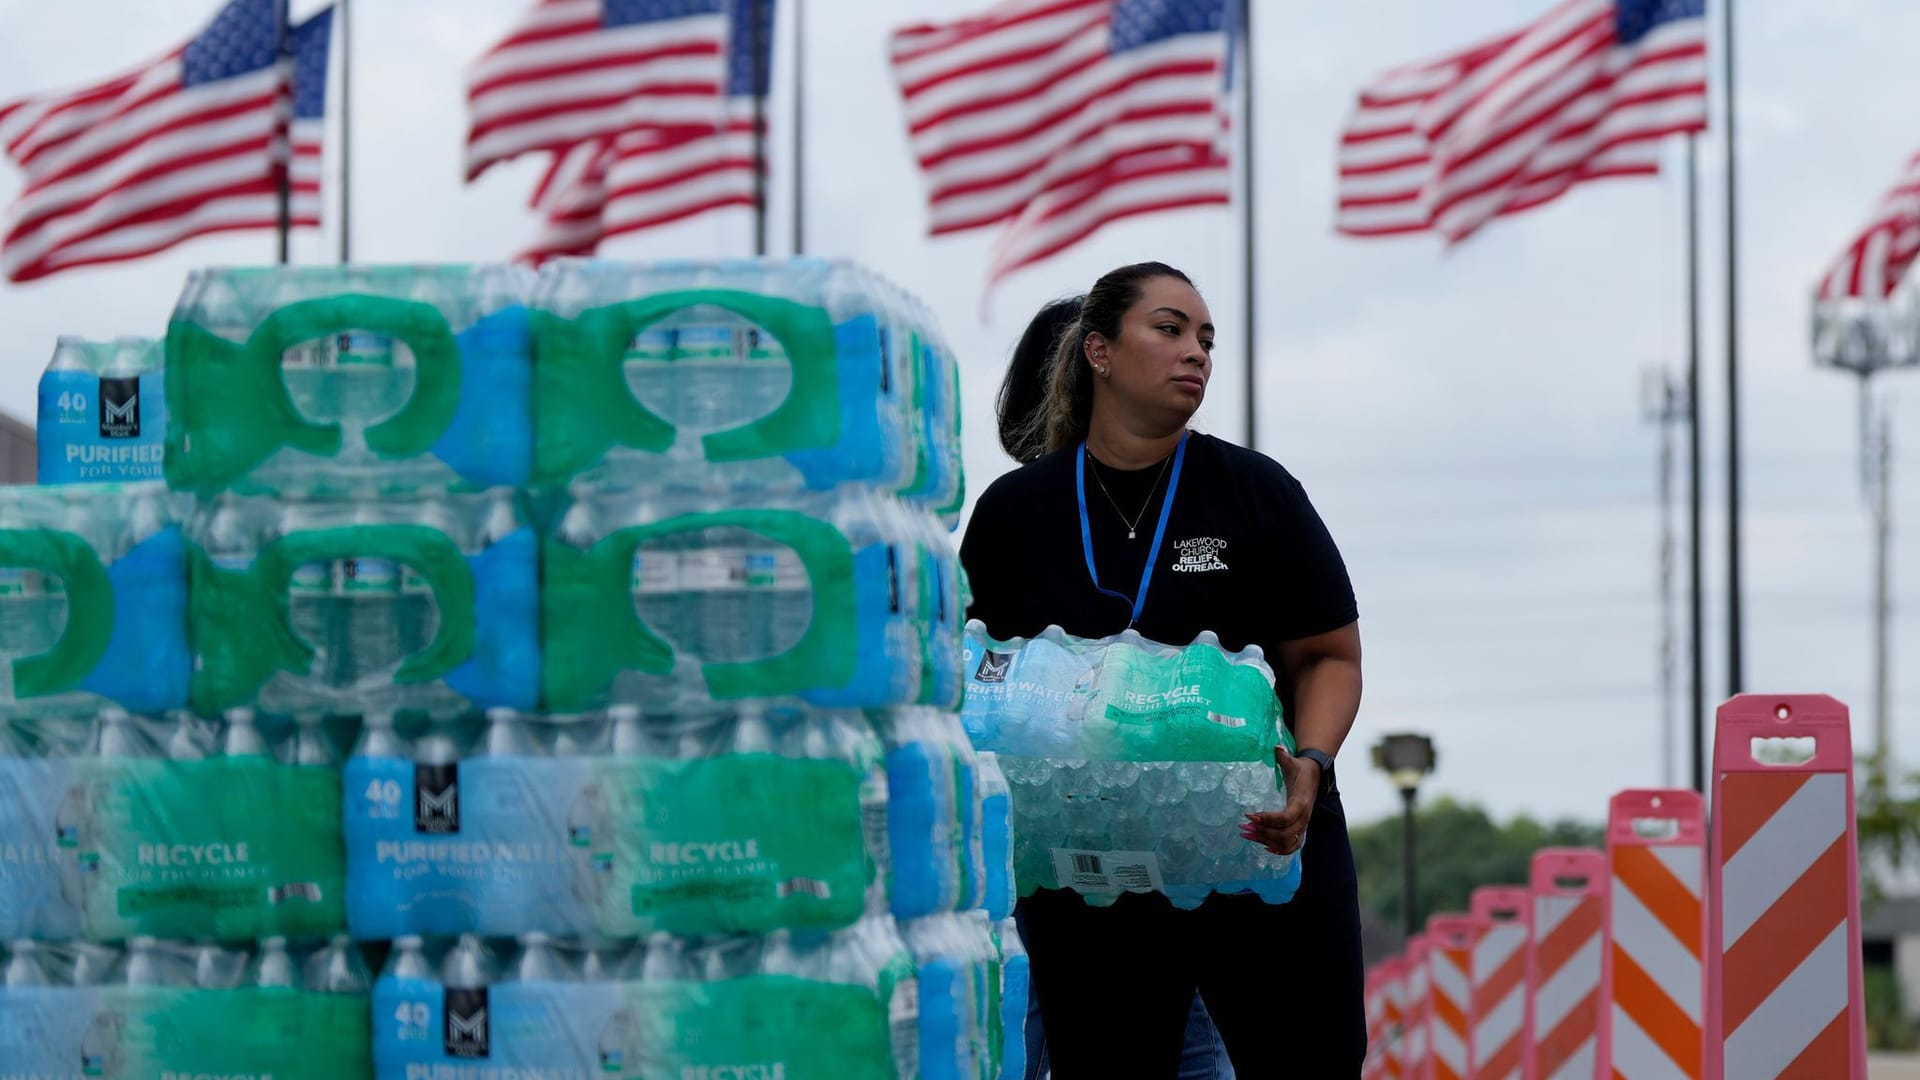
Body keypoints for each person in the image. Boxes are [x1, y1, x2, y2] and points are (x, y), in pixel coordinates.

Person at [961, 262, 1366, 1076]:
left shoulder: (1255, 492)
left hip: (1263, 849)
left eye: (1207, 339)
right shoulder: (1016, 512)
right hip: (1094, 876)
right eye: (1171, 329)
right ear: (1099, 353)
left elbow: (1329, 655)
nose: (1197, 353)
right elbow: (972, 676)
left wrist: (1312, 766)